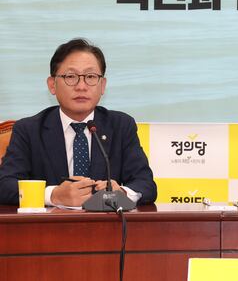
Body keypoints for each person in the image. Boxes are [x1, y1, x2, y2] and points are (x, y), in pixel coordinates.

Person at [0, 38, 157, 206]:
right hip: (50, 223)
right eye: (71, 76)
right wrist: (54, 195)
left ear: (102, 85)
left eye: (90, 76)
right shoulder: (28, 130)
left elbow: (146, 185)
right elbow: (5, 185)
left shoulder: (121, 126)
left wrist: (121, 193)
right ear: (52, 85)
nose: (81, 86)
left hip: (106, 221)